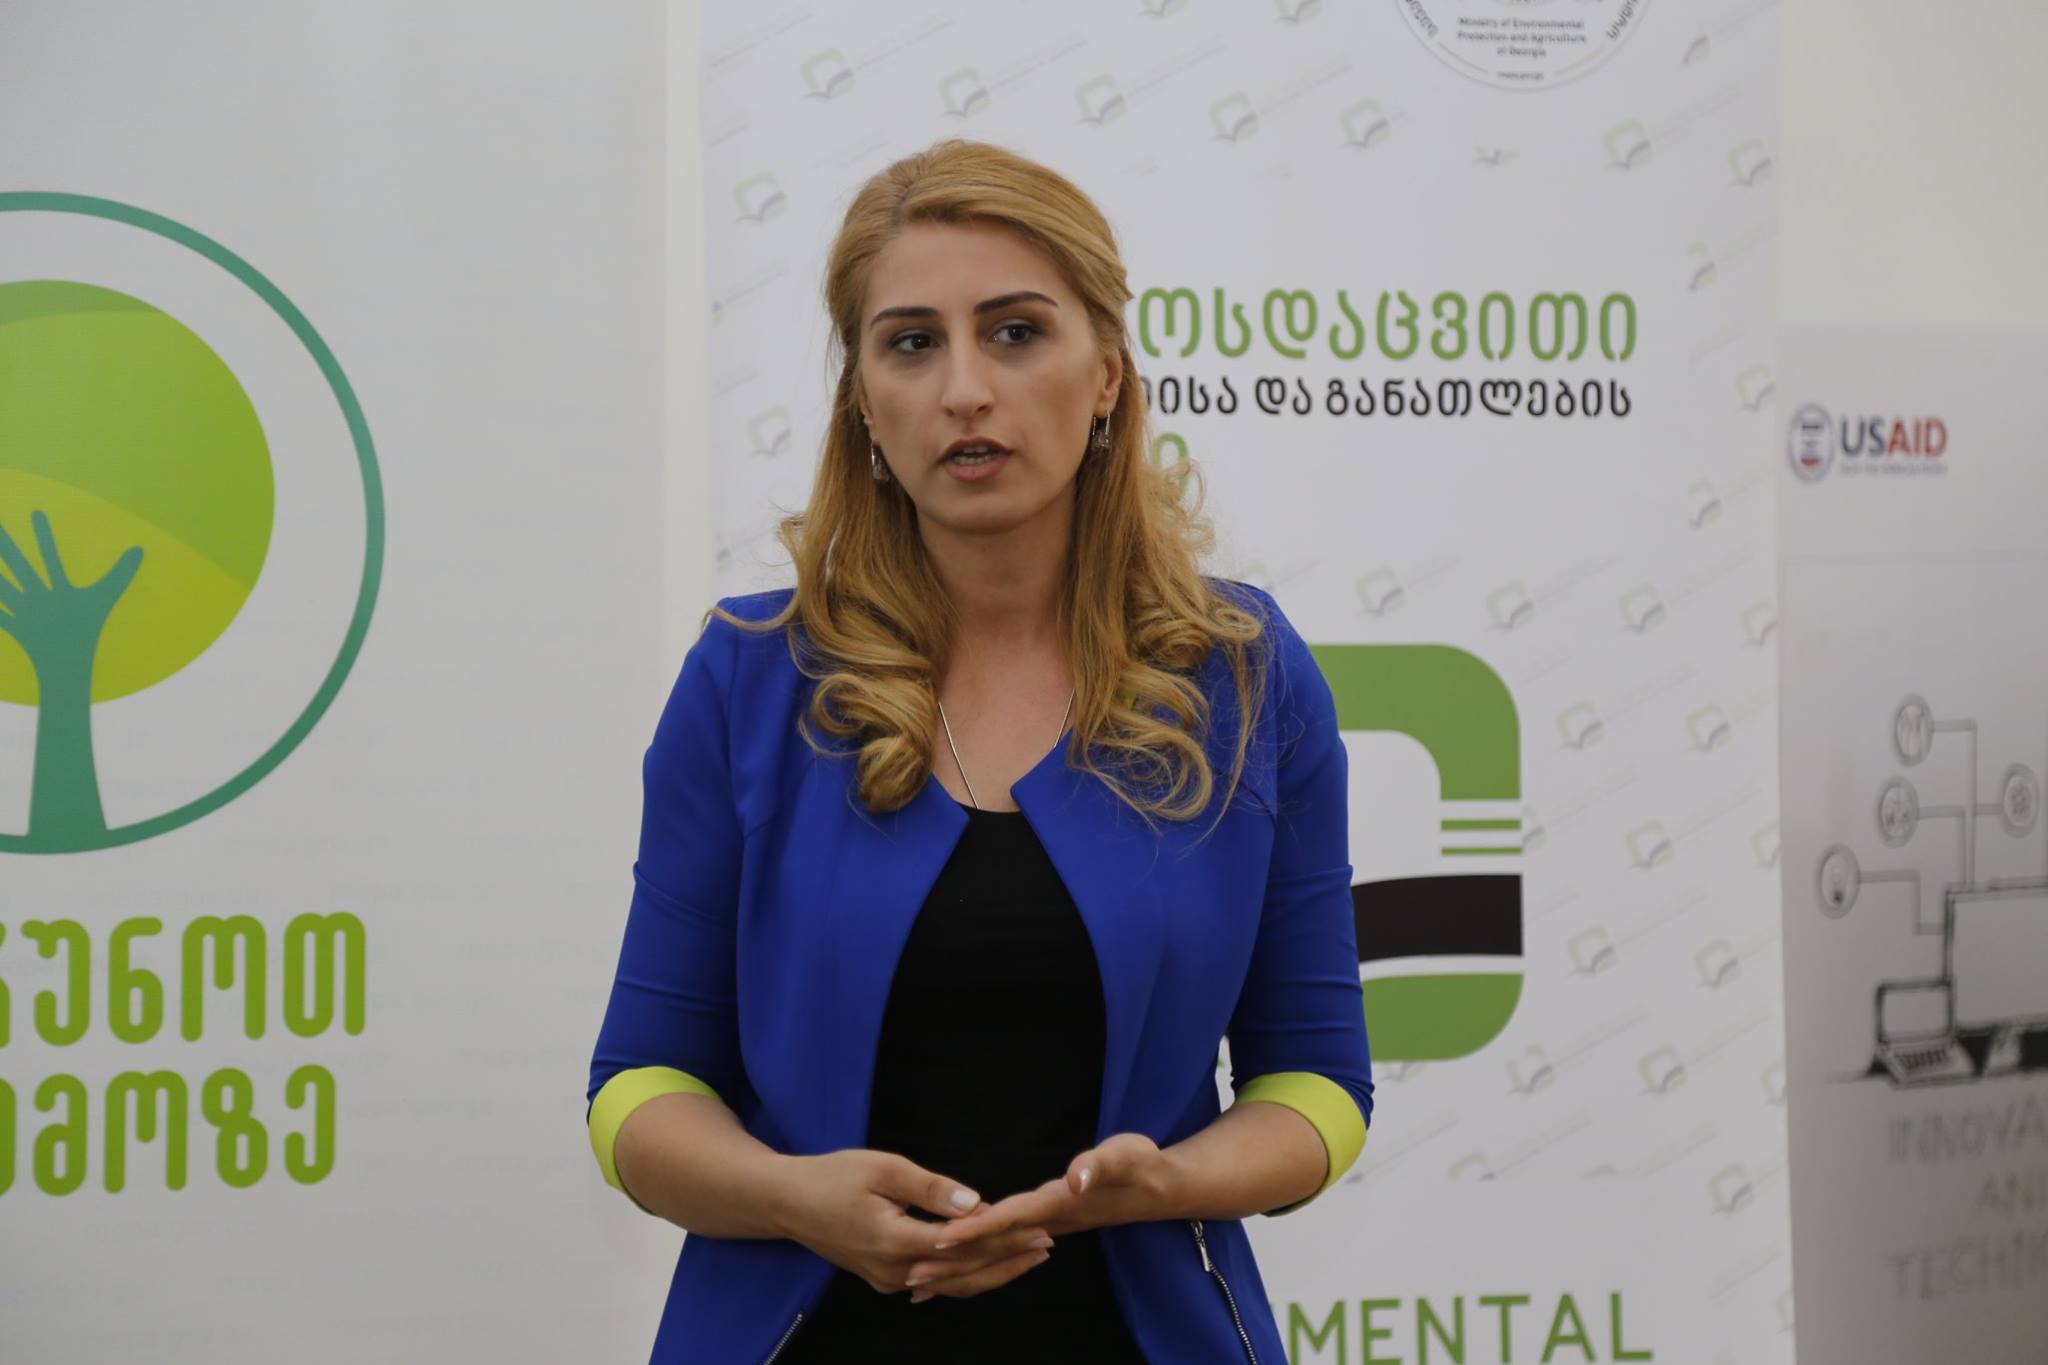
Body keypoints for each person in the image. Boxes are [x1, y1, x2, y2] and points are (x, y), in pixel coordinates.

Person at [585, 138, 1373, 1364]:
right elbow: (637, 1094)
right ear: (862, 400)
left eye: (1014, 333)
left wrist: (1164, 1183)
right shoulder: (746, 678)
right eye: (910, 343)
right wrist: (793, 1198)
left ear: (1104, 374)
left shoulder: (1242, 676)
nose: (963, 389)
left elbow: (1317, 1088)